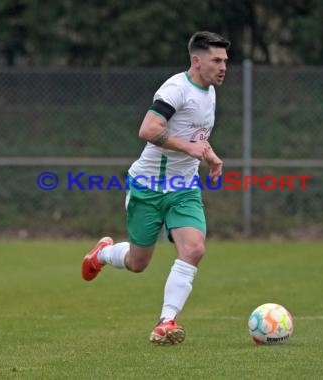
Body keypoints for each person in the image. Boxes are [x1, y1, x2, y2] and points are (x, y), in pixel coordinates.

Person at [81, 31, 230, 345]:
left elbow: (196, 135)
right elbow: (148, 129)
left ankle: (166, 321)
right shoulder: (176, 89)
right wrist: (188, 149)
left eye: (225, 61)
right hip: (147, 187)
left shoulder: (210, 92)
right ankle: (103, 254)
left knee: (194, 249)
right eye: (216, 60)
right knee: (138, 263)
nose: (222, 67)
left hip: (184, 188)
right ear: (196, 60)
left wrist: (209, 155)